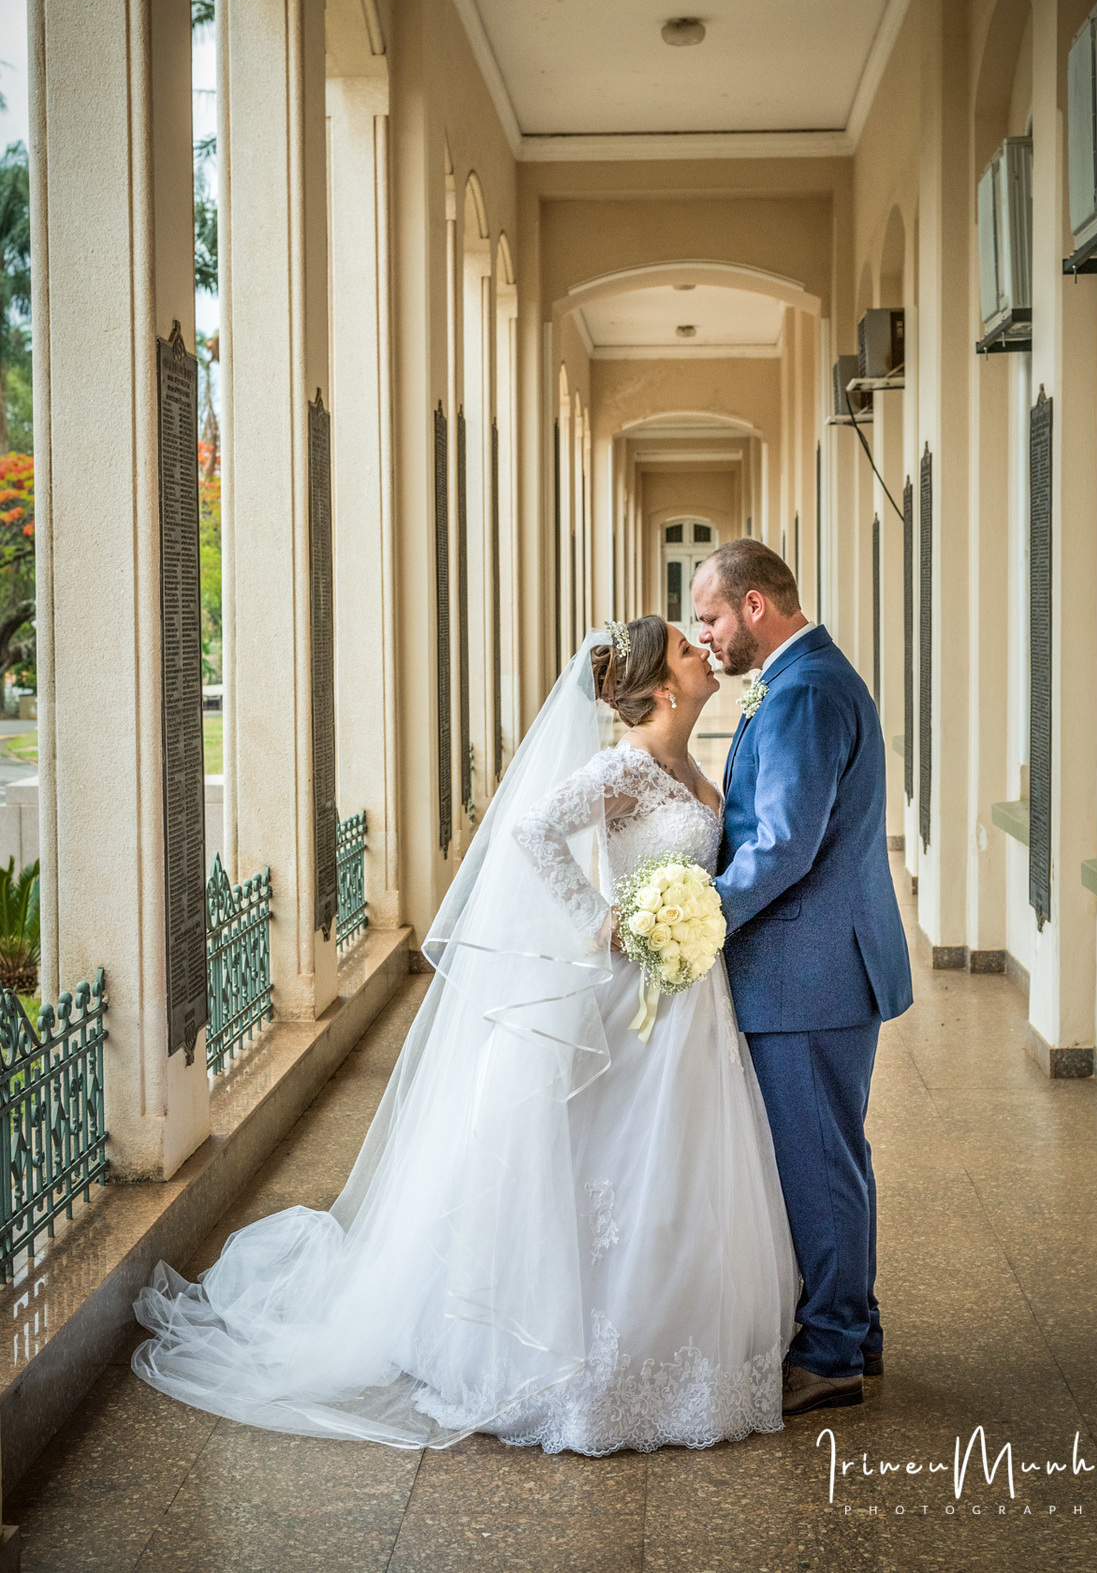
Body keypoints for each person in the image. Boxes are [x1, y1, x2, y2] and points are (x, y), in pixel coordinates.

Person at [132, 618, 798, 1455]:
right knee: (620, 1165)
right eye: (685, 646)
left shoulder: (692, 762)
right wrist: (604, 923)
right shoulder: (625, 765)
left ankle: (684, 1343)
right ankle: (580, 1366)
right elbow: (530, 832)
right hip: (635, 993)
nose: (702, 650)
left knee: (681, 1169)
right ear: (664, 687)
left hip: (692, 1006)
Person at [692, 540, 912, 1418]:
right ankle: (854, 1328)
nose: (703, 634)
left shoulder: (807, 692)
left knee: (819, 1160)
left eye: (709, 616)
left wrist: (703, 915)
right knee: (834, 1155)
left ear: (755, 606)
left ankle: (829, 1353)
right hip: (820, 964)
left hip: (810, 971)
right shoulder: (804, 676)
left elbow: (783, 843)